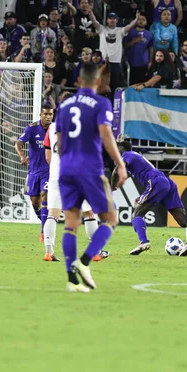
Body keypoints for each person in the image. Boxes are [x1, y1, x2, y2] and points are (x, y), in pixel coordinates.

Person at [55, 62, 127, 292]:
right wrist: (120, 164)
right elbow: (106, 135)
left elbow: (59, 142)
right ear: (97, 82)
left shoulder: (64, 105)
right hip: (90, 168)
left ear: (78, 82)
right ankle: (84, 262)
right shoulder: (100, 103)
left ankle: (72, 280)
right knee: (110, 219)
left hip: (66, 168)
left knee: (70, 224)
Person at [42, 119, 106, 263]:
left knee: (53, 214)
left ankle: (48, 252)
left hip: (56, 176)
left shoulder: (52, 127)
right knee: (89, 213)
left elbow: (48, 156)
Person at [114, 141, 187, 255]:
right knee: (182, 221)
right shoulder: (135, 156)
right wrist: (141, 196)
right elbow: (149, 179)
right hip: (165, 181)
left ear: (121, 150)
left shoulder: (127, 155)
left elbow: (118, 170)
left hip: (157, 181)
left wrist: (112, 185)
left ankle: (144, 242)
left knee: (136, 214)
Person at [16, 105, 53, 242]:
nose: (48, 117)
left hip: (48, 171)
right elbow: (19, 143)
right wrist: (22, 155)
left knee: (44, 196)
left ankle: (44, 232)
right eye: (46, 114)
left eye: (51, 114)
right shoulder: (31, 128)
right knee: (34, 201)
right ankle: (47, 222)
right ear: (40, 114)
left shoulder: (55, 129)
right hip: (33, 171)